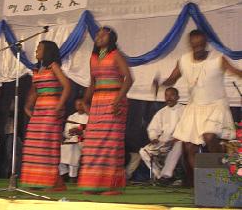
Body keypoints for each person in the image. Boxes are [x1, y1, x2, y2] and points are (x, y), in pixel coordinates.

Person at [153, 29, 242, 187]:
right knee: (189, 146)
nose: (198, 48)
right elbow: (173, 79)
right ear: (190, 45)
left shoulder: (218, 59)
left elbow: (235, 71)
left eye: (201, 45)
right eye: (195, 45)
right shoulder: (184, 60)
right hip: (194, 107)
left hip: (215, 105)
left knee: (209, 137)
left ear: (206, 43)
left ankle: (221, 171)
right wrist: (161, 84)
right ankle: (201, 182)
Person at [78, 26, 133, 195]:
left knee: (110, 144)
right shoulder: (93, 57)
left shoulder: (116, 55)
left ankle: (113, 186)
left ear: (112, 39)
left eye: (104, 34)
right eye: (98, 34)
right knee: (94, 144)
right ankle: (94, 184)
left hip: (114, 101)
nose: (99, 36)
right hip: (98, 103)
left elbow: (129, 79)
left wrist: (117, 100)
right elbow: (93, 83)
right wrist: (84, 100)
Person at [21, 40, 71, 191]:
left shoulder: (53, 66)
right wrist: (27, 107)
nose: (36, 50)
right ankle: (38, 181)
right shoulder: (37, 70)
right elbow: (35, 91)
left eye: (40, 48)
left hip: (51, 108)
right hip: (39, 109)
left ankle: (52, 182)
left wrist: (59, 107)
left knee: (47, 145)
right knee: (34, 146)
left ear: (48, 51)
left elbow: (67, 86)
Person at [139, 87, 184, 185]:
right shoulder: (161, 112)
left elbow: (187, 127)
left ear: (177, 97)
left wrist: (177, 138)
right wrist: (154, 138)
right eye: (166, 95)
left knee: (178, 146)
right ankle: (159, 176)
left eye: (172, 95)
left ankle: (166, 175)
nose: (169, 98)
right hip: (163, 141)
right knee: (143, 151)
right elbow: (153, 128)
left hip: (178, 140)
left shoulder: (184, 110)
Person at [59, 98, 89, 183]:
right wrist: (70, 133)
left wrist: (81, 132)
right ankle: (63, 173)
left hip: (84, 142)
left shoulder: (89, 117)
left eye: (81, 104)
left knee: (74, 148)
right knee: (58, 149)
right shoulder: (71, 117)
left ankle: (73, 175)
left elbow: (91, 132)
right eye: (78, 105)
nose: (79, 106)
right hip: (71, 140)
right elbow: (66, 134)